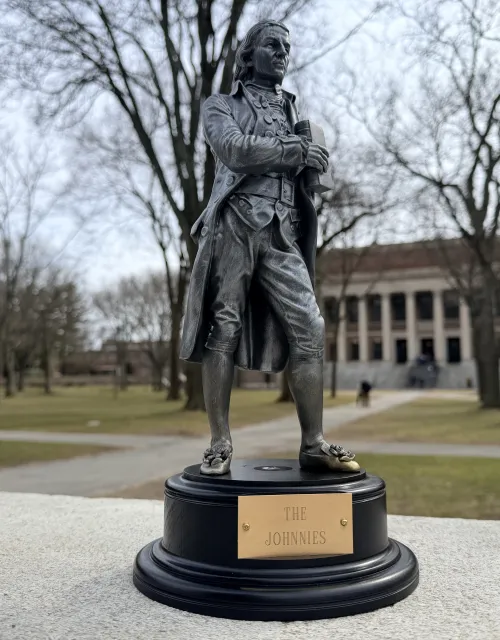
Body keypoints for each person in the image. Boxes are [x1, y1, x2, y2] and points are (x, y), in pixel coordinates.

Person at [180, 20, 359, 476]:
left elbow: (289, 162)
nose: (282, 53)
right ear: (249, 54)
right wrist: (296, 150)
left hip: (283, 230)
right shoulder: (220, 105)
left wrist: (311, 161)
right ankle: (219, 442)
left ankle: (313, 443)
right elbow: (235, 149)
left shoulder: (292, 108)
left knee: (310, 326)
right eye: (272, 45)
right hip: (236, 223)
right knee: (224, 325)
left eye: (287, 47)